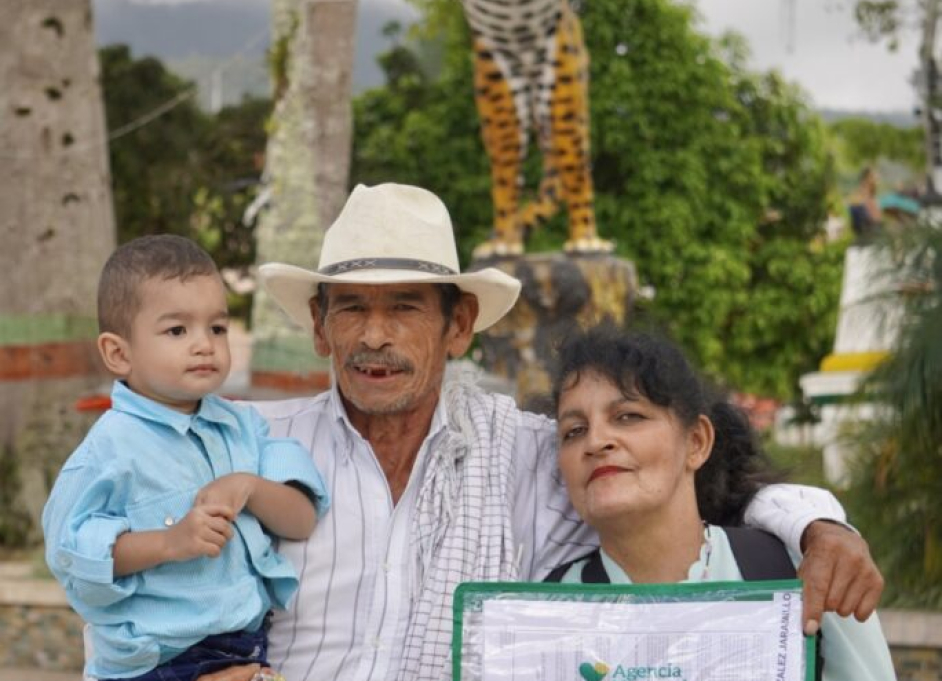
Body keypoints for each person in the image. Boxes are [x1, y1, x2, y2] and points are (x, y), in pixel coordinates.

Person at [206, 183, 882, 681]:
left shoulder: (535, 452)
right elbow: (151, 570)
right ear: (320, 326)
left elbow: (695, 488)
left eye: (405, 306)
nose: (374, 335)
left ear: (459, 325)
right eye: (351, 307)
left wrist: (820, 528)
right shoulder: (247, 444)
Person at [43, 235, 329, 681]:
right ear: (119, 353)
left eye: (217, 328)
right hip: (158, 658)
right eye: (177, 330)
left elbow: (302, 519)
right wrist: (169, 543)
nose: (205, 345)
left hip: (245, 642)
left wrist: (248, 486)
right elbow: (71, 553)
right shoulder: (110, 449)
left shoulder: (243, 426)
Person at [546, 326, 895, 680]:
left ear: (697, 441)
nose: (596, 440)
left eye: (627, 416)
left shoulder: (806, 572)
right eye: (574, 431)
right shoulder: (544, 614)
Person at [848, 166, 882, 239]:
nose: (877, 178)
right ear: (867, 177)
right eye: (873, 176)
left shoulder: (871, 192)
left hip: (872, 226)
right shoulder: (863, 191)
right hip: (868, 227)